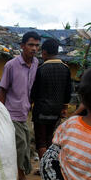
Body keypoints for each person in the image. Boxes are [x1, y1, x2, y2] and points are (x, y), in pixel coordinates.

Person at [0, 31, 41, 180]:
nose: (34, 48)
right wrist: (0, 115)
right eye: (30, 45)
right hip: (11, 111)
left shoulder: (36, 63)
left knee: (22, 144)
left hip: (25, 112)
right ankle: (22, 178)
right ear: (22, 46)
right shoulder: (11, 65)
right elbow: (2, 91)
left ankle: (11, 172)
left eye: (37, 45)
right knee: (22, 144)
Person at [30, 38, 72, 167]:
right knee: (49, 139)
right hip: (56, 111)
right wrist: (64, 107)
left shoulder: (41, 69)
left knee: (40, 141)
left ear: (44, 52)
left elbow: (34, 91)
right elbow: (68, 91)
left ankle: (45, 168)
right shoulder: (65, 68)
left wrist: (30, 104)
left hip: (41, 110)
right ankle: (50, 166)